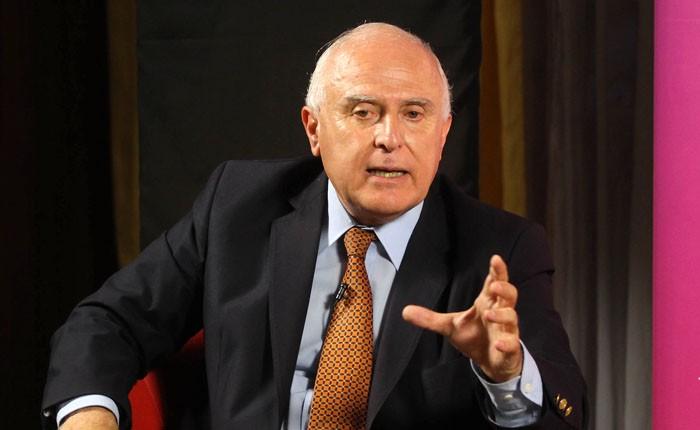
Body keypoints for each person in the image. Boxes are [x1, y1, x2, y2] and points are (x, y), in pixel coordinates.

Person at [42, 22, 586, 429]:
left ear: (443, 134)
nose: (390, 138)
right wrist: (91, 417)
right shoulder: (239, 206)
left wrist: (505, 377)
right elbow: (110, 322)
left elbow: (566, 413)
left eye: (414, 114)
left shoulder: (499, 249)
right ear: (314, 129)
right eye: (363, 112)